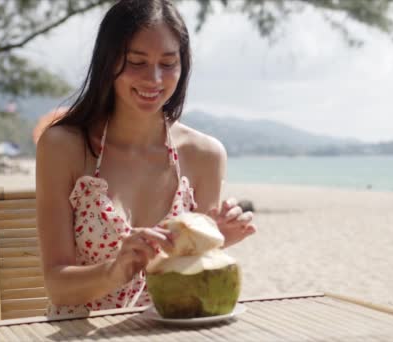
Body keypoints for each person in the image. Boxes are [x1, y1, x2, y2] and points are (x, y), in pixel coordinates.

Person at [36, 0, 256, 317]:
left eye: (168, 64)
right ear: (108, 62)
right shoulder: (63, 147)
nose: (153, 78)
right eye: (136, 62)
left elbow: (191, 276)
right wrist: (113, 271)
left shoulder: (204, 155)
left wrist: (212, 241)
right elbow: (57, 284)